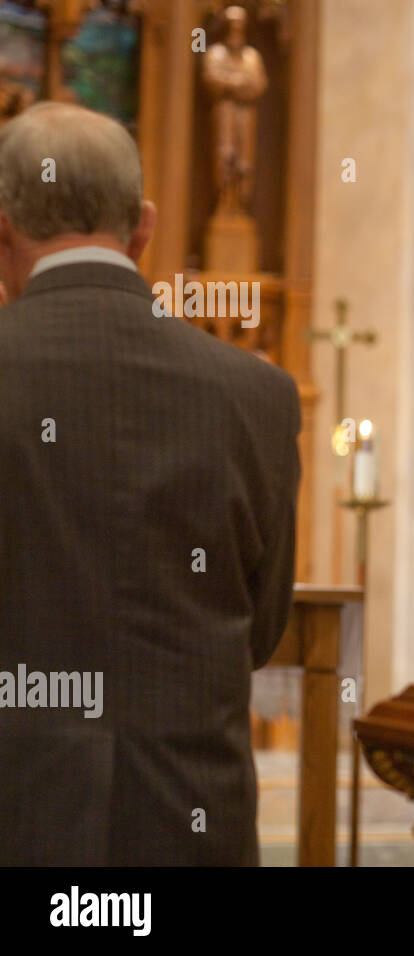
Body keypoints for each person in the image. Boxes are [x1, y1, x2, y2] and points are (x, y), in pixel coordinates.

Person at [0, 102, 301, 865]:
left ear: (2, 229)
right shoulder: (254, 392)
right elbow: (261, 630)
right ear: (145, 228)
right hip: (187, 820)